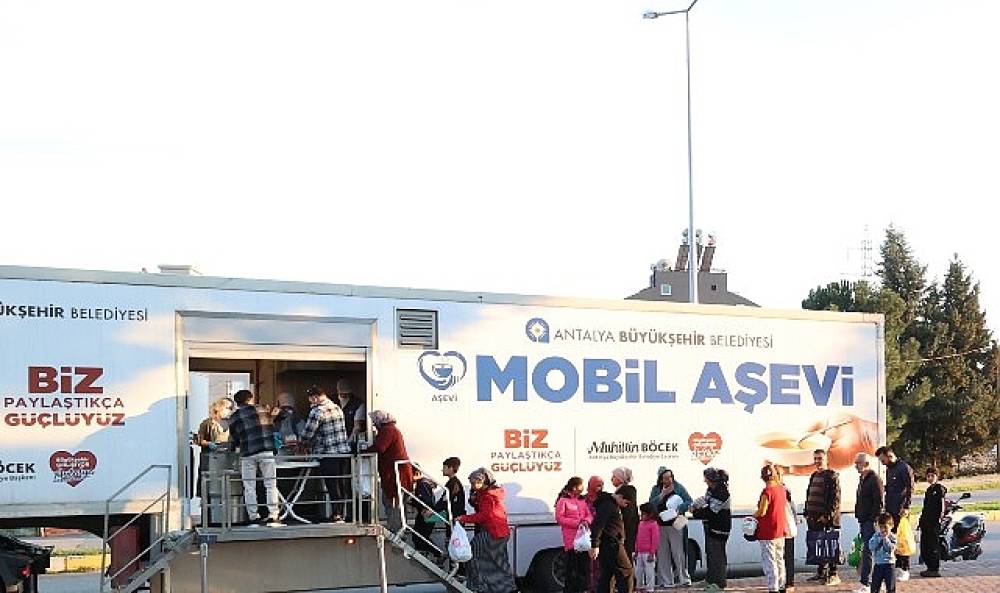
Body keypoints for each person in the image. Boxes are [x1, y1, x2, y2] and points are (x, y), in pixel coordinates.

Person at [458, 468, 517, 593]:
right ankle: (508, 588)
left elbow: (484, 515)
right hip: (501, 532)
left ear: (482, 481)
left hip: (492, 532)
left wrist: (464, 518)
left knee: (473, 554)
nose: (472, 486)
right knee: (500, 562)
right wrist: (473, 499)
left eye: (473, 483)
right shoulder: (491, 493)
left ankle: (479, 586)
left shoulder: (488, 496)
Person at [227, 389, 281, 527]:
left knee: (249, 487)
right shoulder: (263, 409)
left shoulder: (234, 417)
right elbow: (273, 425)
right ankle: (273, 515)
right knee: (270, 484)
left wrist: (234, 447)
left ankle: (253, 517)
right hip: (267, 451)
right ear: (251, 399)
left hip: (248, 453)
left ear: (237, 402)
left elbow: (234, 439)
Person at [300, 385, 351, 522]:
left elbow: (308, 433)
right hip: (343, 452)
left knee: (332, 484)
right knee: (342, 483)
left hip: (328, 453)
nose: (310, 402)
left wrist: (300, 443)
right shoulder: (337, 408)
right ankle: (343, 513)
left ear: (315, 398)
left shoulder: (317, 411)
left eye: (310, 399)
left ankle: (336, 514)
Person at [362, 409, 414, 532]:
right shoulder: (392, 430)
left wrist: (363, 452)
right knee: (395, 504)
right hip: (398, 474)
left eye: (374, 421)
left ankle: (396, 532)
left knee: (393, 504)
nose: (374, 424)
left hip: (396, 475)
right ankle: (398, 530)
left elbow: (380, 447)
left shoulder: (388, 430)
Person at [649, 467, 692, 588]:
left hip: (675, 525)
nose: (669, 480)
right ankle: (665, 581)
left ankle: (684, 579)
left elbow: (689, 501)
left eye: (670, 477)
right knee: (662, 554)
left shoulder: (678, 487)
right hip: (660, 525)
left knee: (678, 553)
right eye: (665, 478)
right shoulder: (656, 489)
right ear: (660, 479)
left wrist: (679, 509)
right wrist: (661, 495)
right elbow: (650, 505)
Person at [875, 445, 913, 582]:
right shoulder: (889, 469)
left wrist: (906, 506)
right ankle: (897, 566)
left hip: (901, 510)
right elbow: (891, 488)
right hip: (890, 509)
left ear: (889, 455)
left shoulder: (904, 468)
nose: (882, 463)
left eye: (883, 460)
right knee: (892, 538)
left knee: (902, 539)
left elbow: (910, 488)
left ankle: (905, 568)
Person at [589, 476, 634, 593]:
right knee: (626, 572)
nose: (626, 505)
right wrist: (594, 544)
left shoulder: (609, 503)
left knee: (607, 574)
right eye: (626, 502)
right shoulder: (608, 505)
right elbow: (598, 524)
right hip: (612, 543)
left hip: (607, 543)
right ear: (620, 496)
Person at [689, 468, 731, 593]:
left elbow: (711, 512)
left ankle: (719, 584)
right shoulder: (711, 490)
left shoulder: (722, 493)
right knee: (710, 554)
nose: (705, 481)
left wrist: (696, 512)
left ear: (712, 479)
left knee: (718, 556)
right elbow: (705, 500)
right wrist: (694, 505)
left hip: (720, 528)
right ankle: (710, 580)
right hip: (710, 526)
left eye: (706, 478)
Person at [803, 449, 840, 585]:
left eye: (820, 459)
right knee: (818, 546)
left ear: (826, 460)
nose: (817, 461)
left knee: (830, 546)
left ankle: (833, 573)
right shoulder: (814, 475)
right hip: (813, 518)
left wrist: (827, 516)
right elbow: (809, 495)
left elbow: (835, 499)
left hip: (826, 519)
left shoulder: (831, 476)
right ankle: (821, 573)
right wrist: (806, 513)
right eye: (815, 459)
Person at [753, 464, 787, 593]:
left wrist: (753, 515)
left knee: (770, 561)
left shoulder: (767, 492)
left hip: (767, 532)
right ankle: (782, 585)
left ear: (763, 477)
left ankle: (773, 587)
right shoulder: (781, 490)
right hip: (780, 529)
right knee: (779, 559)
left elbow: (762, 511)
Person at [556, 477, 593, 593]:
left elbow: (589, 515)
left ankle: (582, 589)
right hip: (571, 540)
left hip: (583, 539)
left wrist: (586, 521)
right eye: (581, 486)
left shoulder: (582, 501)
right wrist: (577, 523)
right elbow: (559, 518)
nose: (583, 488)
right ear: (574, 487)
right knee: (572, 568)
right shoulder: (563, 501)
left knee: (583, 568)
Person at [854, 452, 885, 593]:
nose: (856, 466)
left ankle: (866, 583)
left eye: (858, 463)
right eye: (855, 463)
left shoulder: (874, 479)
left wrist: (873, 519)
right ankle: (872, 582)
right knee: (868, 551)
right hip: (864, 520)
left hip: (870, 522)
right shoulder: (863, 479)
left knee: (869, 551)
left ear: (866, 464)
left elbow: (879, 502)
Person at [917, 467, 947, 578]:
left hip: (934, 523)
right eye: (928, 476)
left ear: (937, 477)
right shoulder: (929, 490)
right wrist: (921, 521)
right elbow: (925, 507)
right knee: (925, 546)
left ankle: (934, 568)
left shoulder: (939, 489)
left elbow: (942, 505)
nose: (930, 478)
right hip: (926, 522)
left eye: (932, 476)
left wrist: (940, 518)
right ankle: (929, 567)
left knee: (933, 545)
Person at [410, 465, 439, 556]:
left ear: (417, 473)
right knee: (418, 537)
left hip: (427, 514)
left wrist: (422, 507)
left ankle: (438, 554)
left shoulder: (422, 484)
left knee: (420, 537)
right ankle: (431, 554)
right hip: (425, 514)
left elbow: (427, 500)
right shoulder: (421, 484)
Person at [611, 467, 639, 559]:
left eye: (614, 477)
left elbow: (628, 512)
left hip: (626, 528)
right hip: (625, 528)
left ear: (620, 479)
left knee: (625, 555)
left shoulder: (627, 490)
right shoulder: (620, 491)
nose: (611, 479)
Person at [634, 503, 660, 593]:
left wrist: (652, 553)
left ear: (650, 514)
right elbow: (638, 537)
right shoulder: (640, 523)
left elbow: (655, 539)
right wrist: (636, 550)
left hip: (648, 553)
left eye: (643, 513)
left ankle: (650, 588)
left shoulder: (653, 524)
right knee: (638, 571)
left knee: (649, 572)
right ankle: (639, 586)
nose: (641, 515)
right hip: (640, 552)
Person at [435, 456, 467, 527]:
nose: (442, 470)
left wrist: (432, 510)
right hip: (453, 517)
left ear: (451, 468)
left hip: (456, 518)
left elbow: (445, 499)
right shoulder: (451, 482)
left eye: (444, 467)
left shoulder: (454, 483)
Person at [868, 513, 897, 593]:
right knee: (875, 586)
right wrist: (878, 539)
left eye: (885, 527)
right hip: (878, 564)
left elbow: (890, 549)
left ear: (891, 526)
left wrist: (885, 539)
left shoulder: (892, 537)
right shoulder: (876, 536)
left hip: (889, 565)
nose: (883, 530)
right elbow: (871, 547)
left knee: (890, 587)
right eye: (881, 527)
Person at [335, 378, 366, 451]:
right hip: (334, 439)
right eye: (342, 392)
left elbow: (357, 427)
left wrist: (348, 442)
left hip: (350, 438)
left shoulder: (358, 403)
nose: (344, 394)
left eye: (347, 393)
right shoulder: (332, 401)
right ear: (338, 390)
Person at [270, 391, 304, 455]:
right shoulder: (296, 417)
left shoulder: (274, 415)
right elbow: (303, 433)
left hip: (277, 449)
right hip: (293, 449)